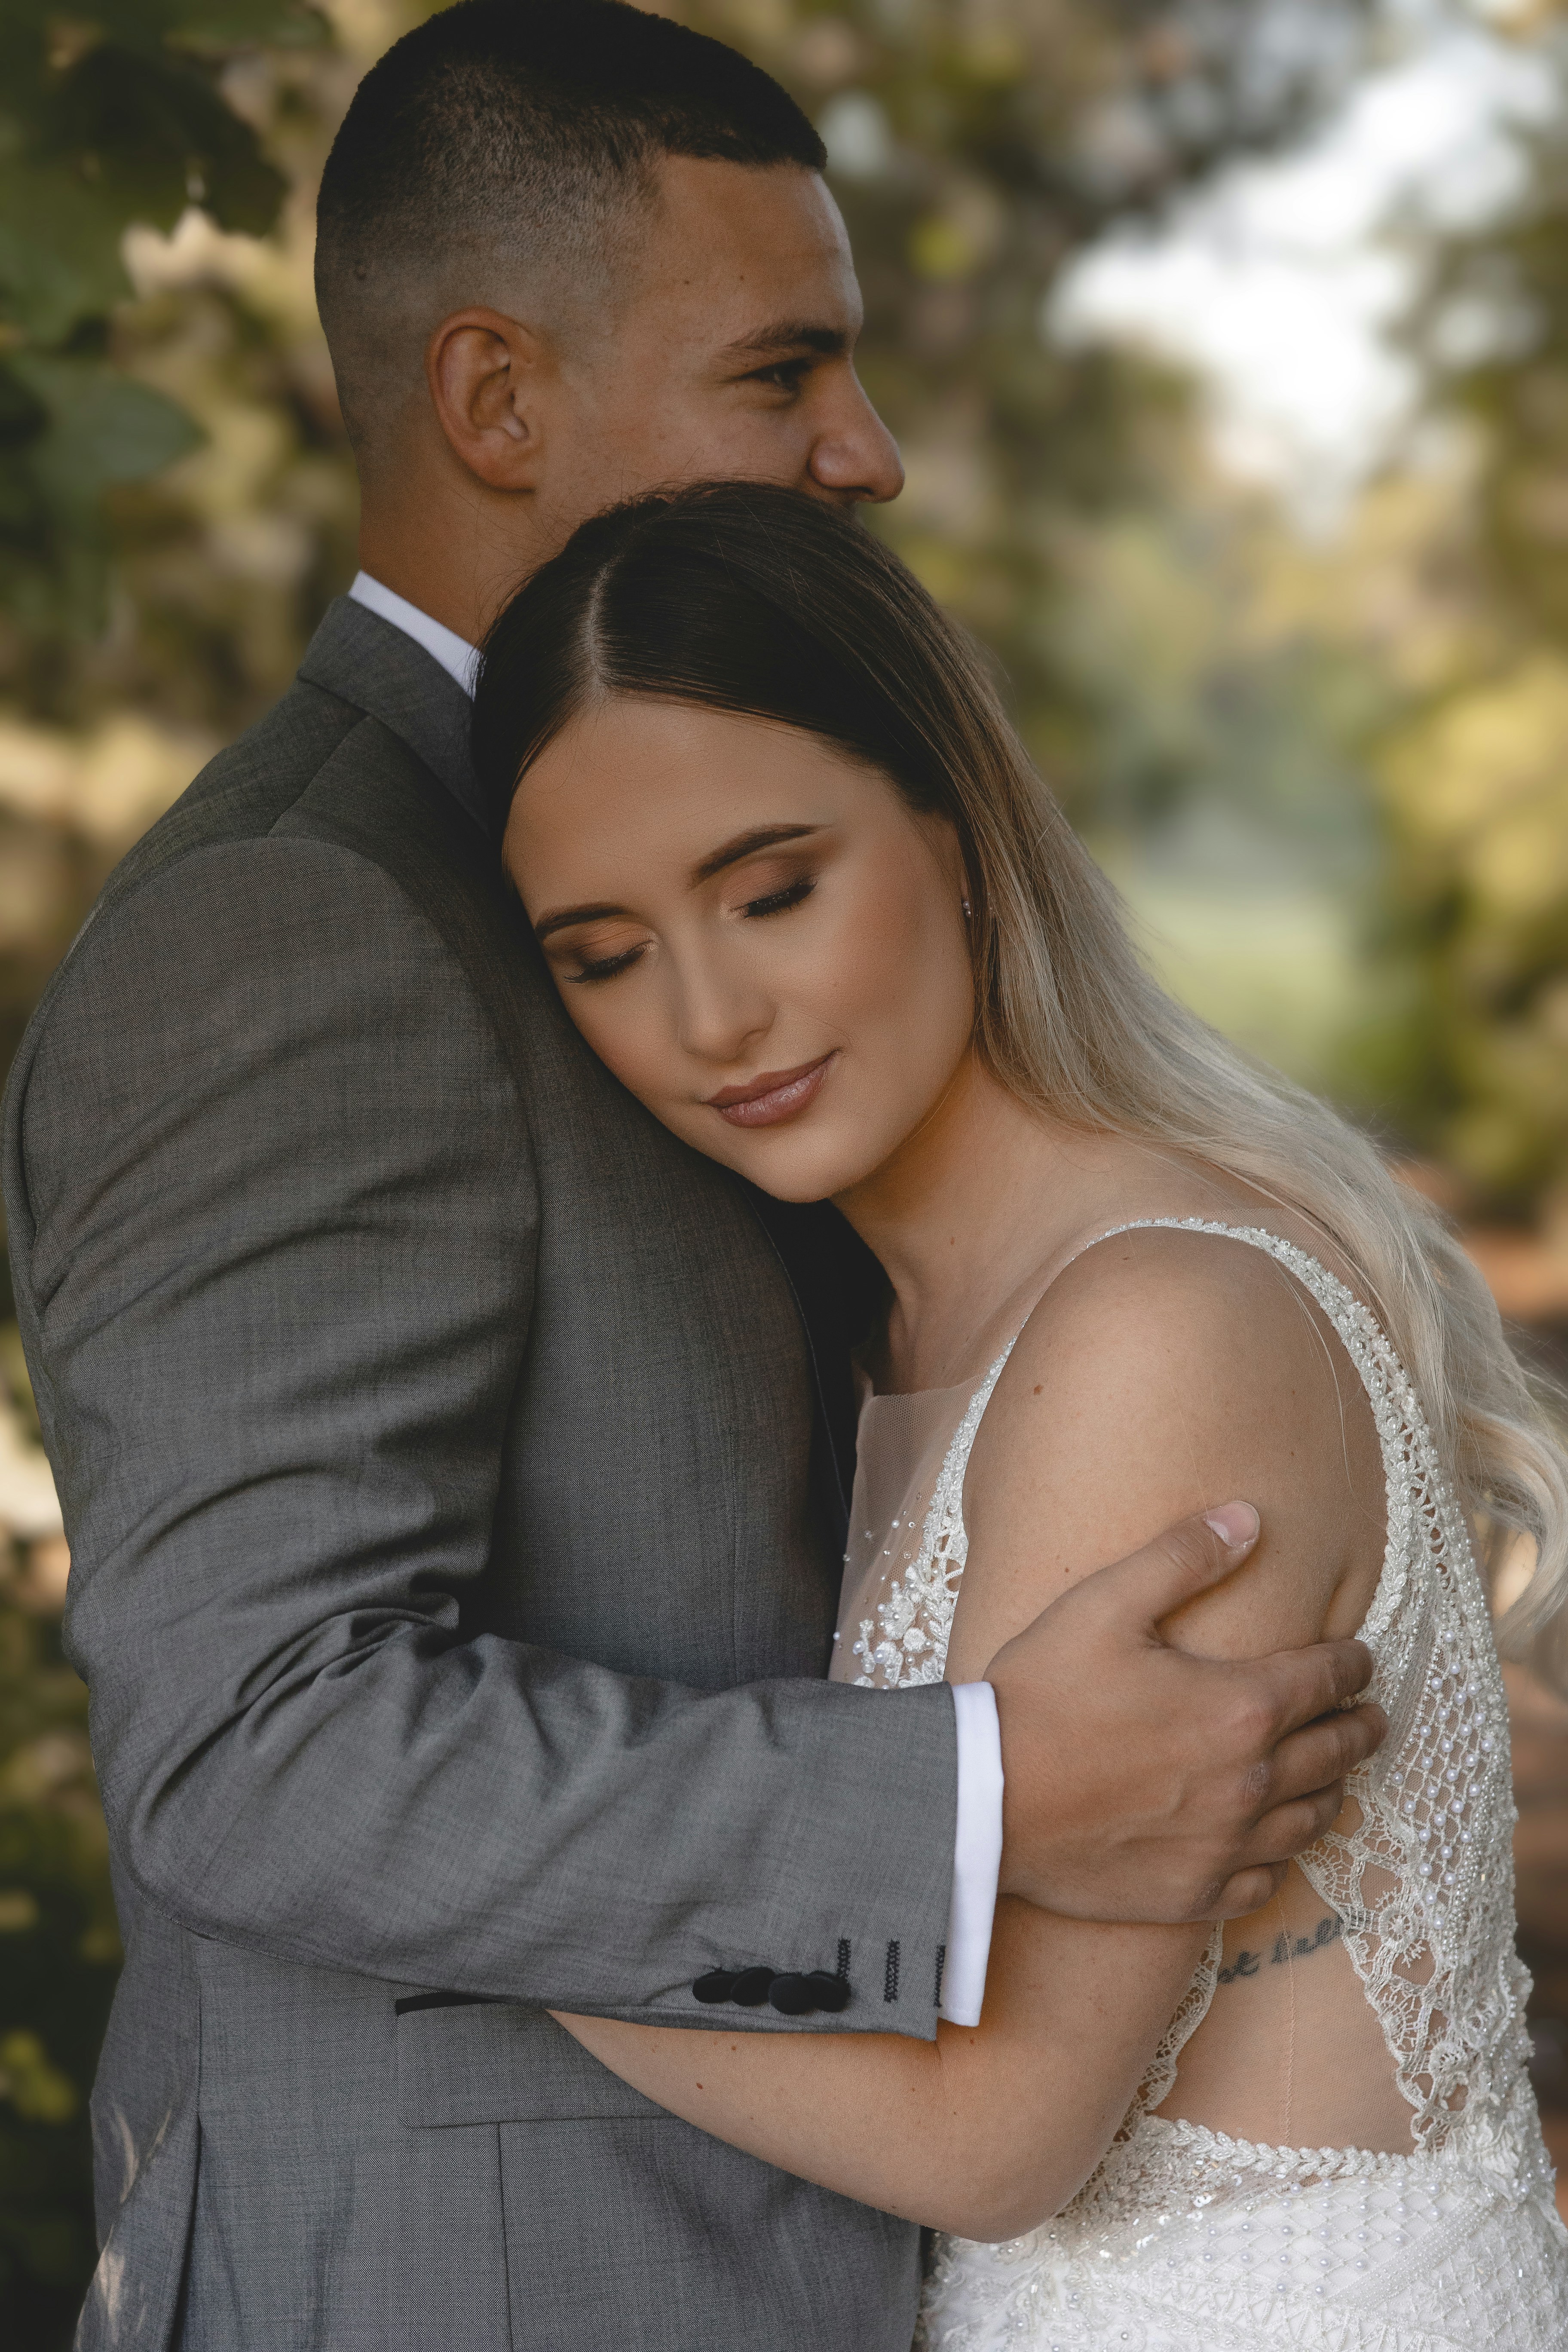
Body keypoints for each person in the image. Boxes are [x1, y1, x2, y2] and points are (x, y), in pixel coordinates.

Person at [2, 9, 1379, 2349]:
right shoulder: (307, 915)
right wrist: (968, 1796)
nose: (874, 451)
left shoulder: (625, 819)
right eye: (784, 370)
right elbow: (254, 1738)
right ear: (497, 399)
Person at [476, 478, 1568, 2350]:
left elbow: (996, 2135)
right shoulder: (890, 1319)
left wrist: (451, 1884)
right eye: (605, 952)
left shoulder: (1153, 1322)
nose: (714, 1014)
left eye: (773, 888)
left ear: (956, 824)